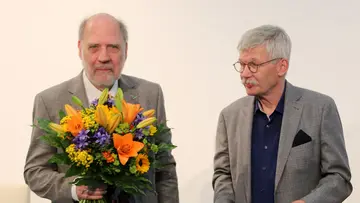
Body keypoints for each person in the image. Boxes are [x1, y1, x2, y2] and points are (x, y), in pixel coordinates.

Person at [24, 13, 179, 203]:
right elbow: (35, 171)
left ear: (126, 50)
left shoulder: (150, 94)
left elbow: (165, 169)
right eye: (94, 47)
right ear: (80, 49)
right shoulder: (50, 101)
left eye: (113, 47)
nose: (104, 57)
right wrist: (73, 188)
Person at [212, 24, 352, 203]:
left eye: (253, 65)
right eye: (242, 65)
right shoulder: (229, 116)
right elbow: (223, 175)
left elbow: (339, 177)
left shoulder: (320, 109)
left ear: (281, 66)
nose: (245, 74)